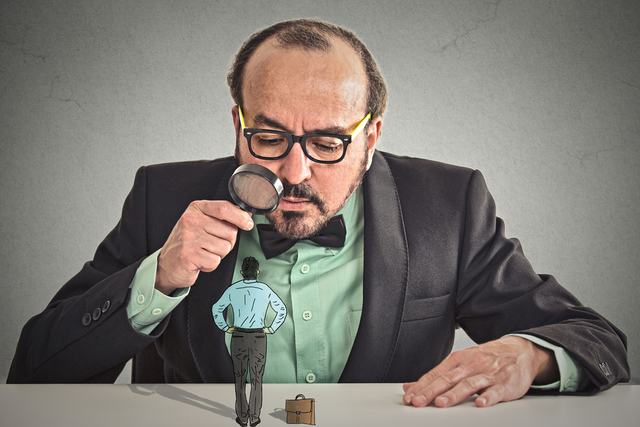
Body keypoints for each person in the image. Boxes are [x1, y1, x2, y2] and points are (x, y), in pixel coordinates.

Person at [8, 19, 629, 409]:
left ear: (372, 134)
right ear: (238, 123)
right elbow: (34, 374)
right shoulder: (161, 197)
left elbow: (599, 342)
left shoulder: (450, 206)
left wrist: (528, 355)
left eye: (328, 143)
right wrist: (158, 277)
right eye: (269, 137)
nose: (294, 174)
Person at [212, 256, 287, 427]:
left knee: (239, 378)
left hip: (238, 336)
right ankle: (254, 417)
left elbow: (217, 308)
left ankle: (242, 417)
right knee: (257, 379)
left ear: (242, 272)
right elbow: (281, 309)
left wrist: (224, 327)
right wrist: (272, 327)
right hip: (259, 337)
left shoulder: (233, 289)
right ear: (257, 272)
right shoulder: (264, 289)